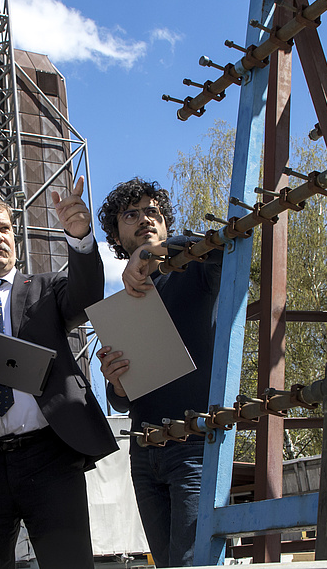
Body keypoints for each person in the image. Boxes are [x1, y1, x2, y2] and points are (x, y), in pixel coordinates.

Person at [0, 176, 118, 569]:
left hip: (50, 457)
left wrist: (80, 239)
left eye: (4, 228)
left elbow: (88, 296)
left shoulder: (47, 288)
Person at [96, 177, 223, 568]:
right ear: (117, 236)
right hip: (144, 449)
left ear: (166, 224)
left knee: (194, 563)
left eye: (153, 211)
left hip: (195, 444)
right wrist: (115, 382)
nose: (144, 218)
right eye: (131, 215)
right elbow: (122, 398)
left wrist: (155, 254)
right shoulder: (121, 306)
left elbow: (218, 244)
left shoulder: (196, 271)